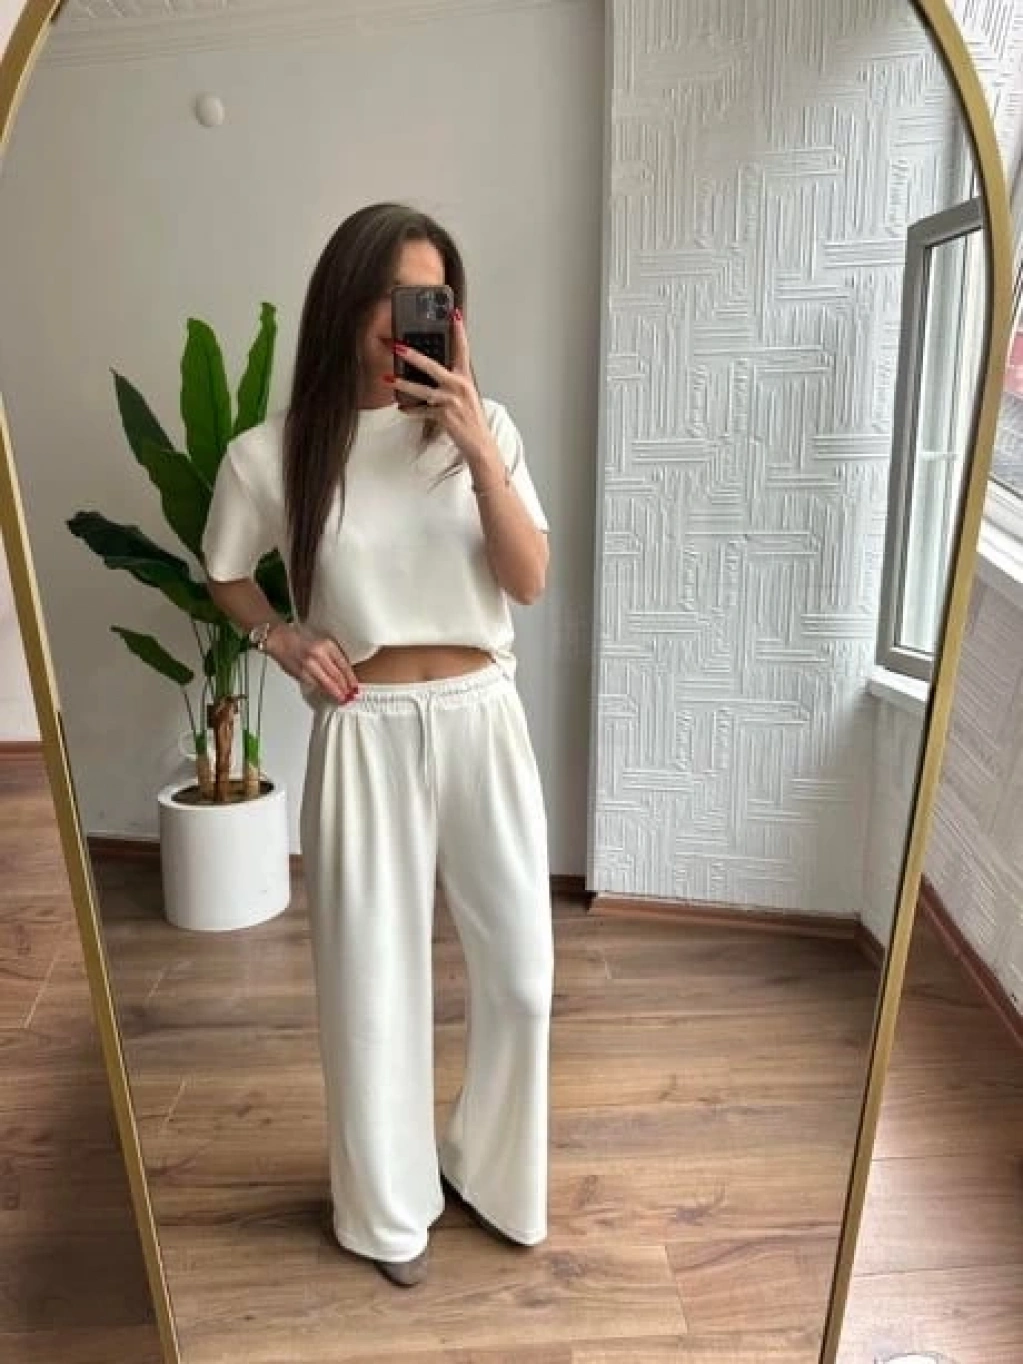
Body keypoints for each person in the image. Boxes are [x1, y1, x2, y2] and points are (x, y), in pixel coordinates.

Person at [202, 203, 554, 1288]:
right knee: (371, 990)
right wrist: (282, 636)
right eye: (398, 296)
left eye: (434, 299)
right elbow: (224, 572)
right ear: (348, 302)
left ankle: (490, 1169)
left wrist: (475, 446)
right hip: (363, 728)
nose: (414, 319)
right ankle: (386, 1211)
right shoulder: (274, 454)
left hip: (482, 717)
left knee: (523, 977)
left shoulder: (485, 428)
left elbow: (528, 580)